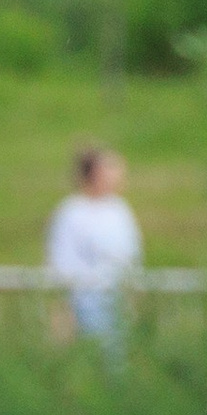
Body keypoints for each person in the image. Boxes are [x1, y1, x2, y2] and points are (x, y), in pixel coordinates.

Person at [45, 143, 141, 347]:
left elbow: (131, 256)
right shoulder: (71, 212)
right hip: (85, 301)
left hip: (118, 300)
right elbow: (62, 262)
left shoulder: (119, 210)